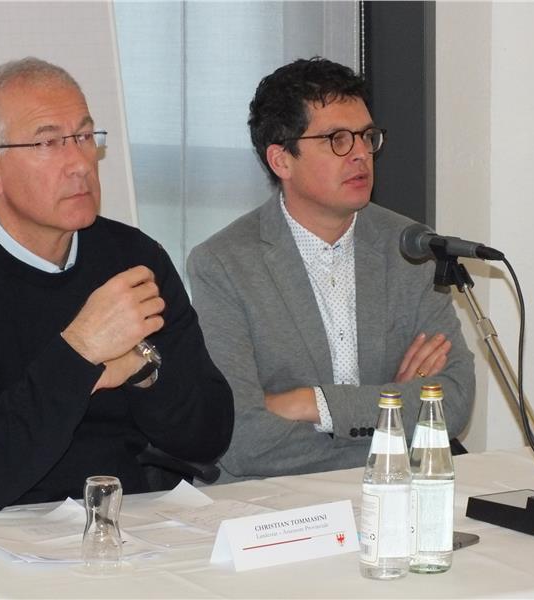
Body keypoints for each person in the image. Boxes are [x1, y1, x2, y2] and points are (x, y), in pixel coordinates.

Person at [0, 57, 233, 513]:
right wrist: (80, 350)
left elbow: (209, 437)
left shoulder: (134, 260)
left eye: (85, 137)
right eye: (48, 142)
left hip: (123, 524)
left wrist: (143, 372)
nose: (80, 164)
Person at [187, 57, 474, 482]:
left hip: (392, 496)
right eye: (337, 139)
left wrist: (313, 404)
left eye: (367, 137)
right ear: (281, 160)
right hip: (275, 503)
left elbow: (454, 401)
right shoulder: (224, 264)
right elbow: (243, 439)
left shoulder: (411, 247)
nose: (360, 154)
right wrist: (393, 411)